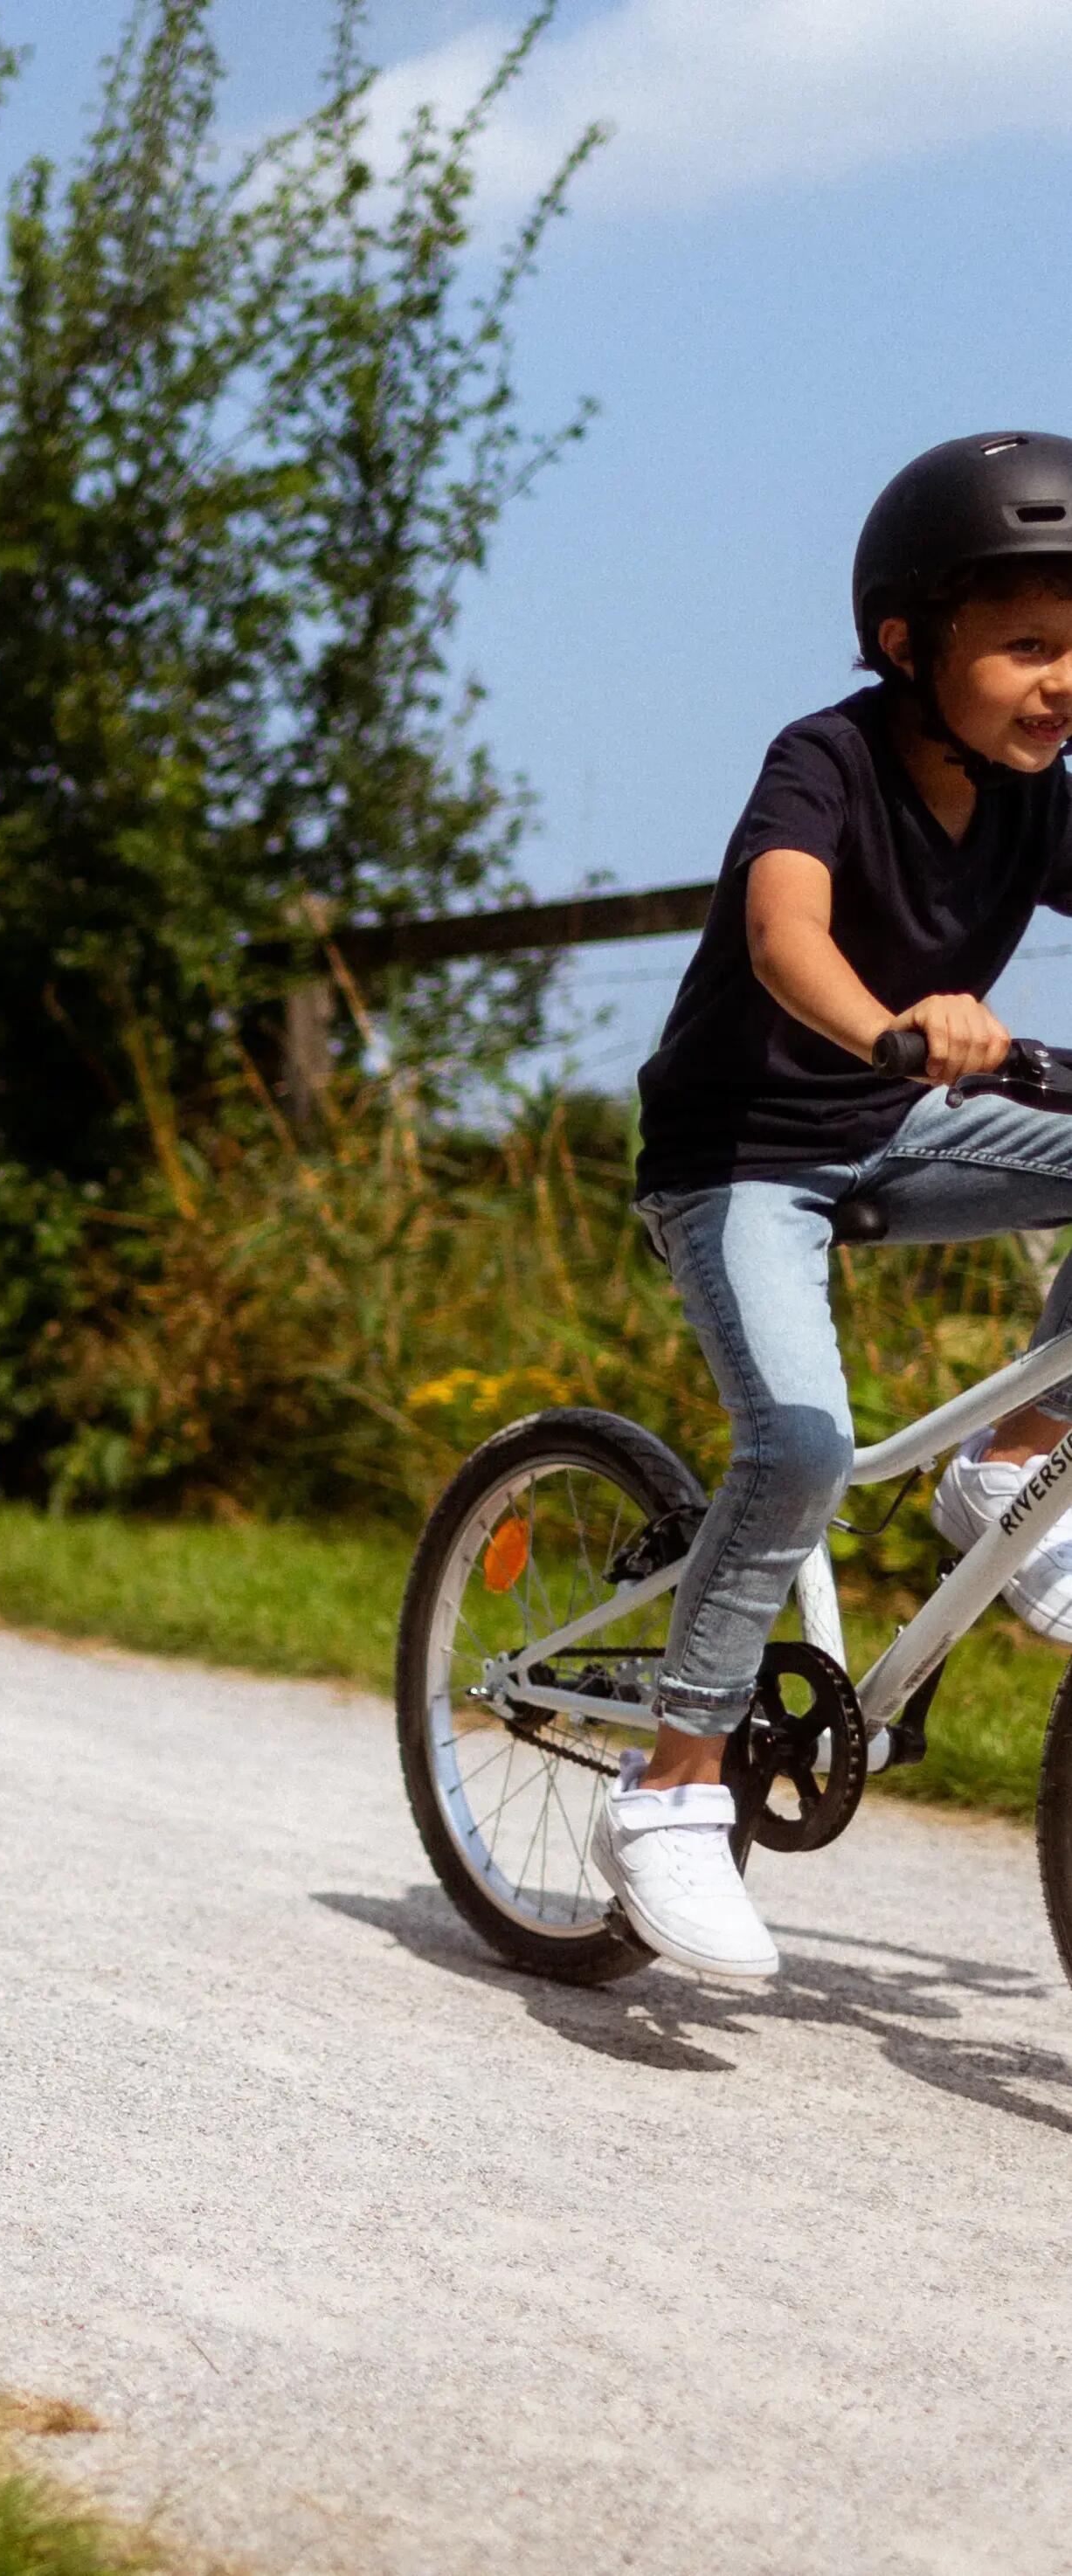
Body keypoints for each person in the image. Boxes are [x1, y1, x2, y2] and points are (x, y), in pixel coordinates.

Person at [612, 430, 1072, 1979]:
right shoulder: (824, 755)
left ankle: (1005, 1465)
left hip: (889, 1128)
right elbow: (775, 928)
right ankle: (668, 1789)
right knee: (800, 1436)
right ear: (903, 639)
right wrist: (891, 1020)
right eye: (1023, 644)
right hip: (737, 1146)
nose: (1058, 679)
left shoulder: (1034, 797)